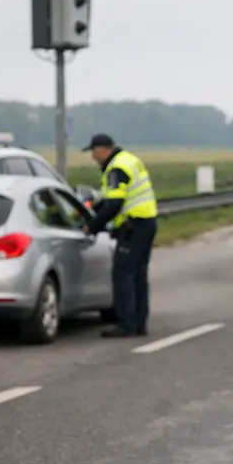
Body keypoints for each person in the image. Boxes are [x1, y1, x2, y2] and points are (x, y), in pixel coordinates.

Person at [83, 133, 158, 338]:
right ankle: (139, 322)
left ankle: (126, 323)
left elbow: (114, 204)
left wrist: (92, 226)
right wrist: (94, 210)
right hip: (147, 222)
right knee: (138, 274)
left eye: (93, 151)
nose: (92, 157)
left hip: (133, 226)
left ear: (103, 149)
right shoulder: (129, 160)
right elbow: (110, 200)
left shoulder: (117, 168)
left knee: (123, 272)